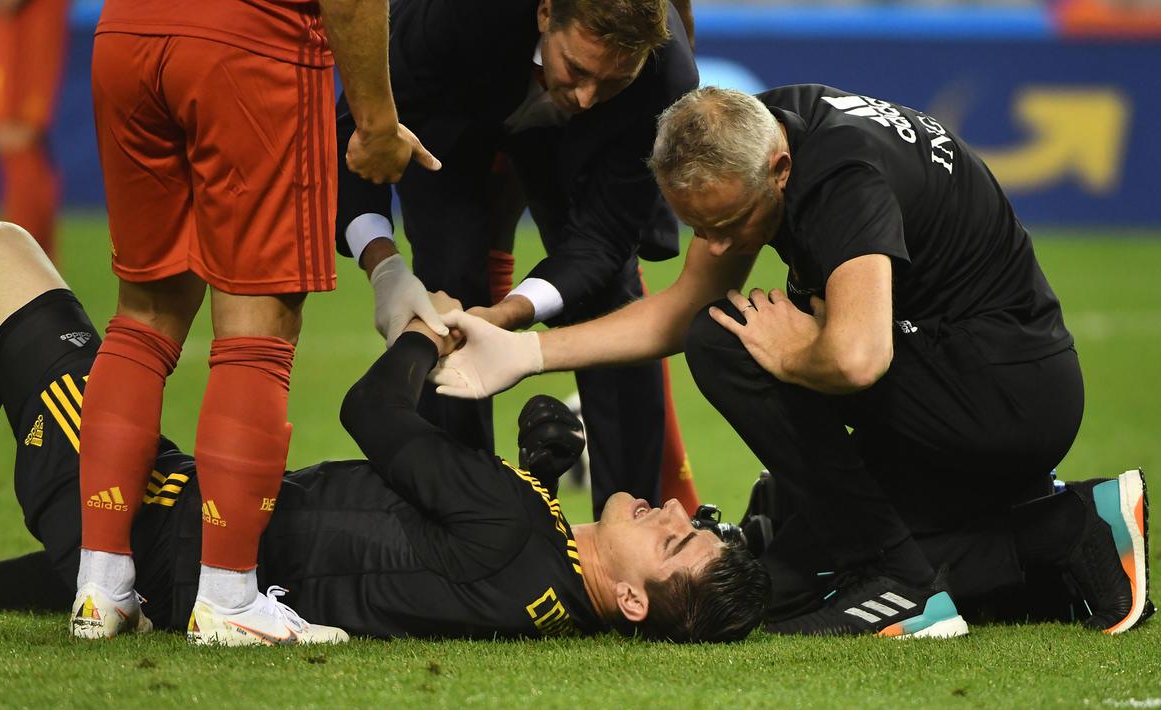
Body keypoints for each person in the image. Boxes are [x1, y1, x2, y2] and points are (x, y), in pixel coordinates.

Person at [429, 85, 1153, 637]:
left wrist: (790, 345)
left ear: (777, 170)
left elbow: (858, 357)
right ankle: (1066, 530)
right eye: (696, 227)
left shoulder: (841, 177)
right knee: (782, 581)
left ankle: (899, 580)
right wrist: (526, 351)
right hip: (964, 386)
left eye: (725, 225)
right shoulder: (758, 137)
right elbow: (680, 307)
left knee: (728, 344)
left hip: (1003, 402)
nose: (713, 246)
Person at [0, 221, 769, 643]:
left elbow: (371, 414)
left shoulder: (514, 529)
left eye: (670, 544)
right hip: (184, 557)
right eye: (689, 522)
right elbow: (437, 549)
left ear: (628, 602)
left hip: (149, 515)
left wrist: (423, 327)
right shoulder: (540, 596)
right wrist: (536, 476)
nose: (670, 512)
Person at [73, 0, 442, 644]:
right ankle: (228, 598)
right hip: (247, 44)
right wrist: (379, 123)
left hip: (127, 34)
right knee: (258, 326)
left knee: (144, 316)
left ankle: (100, 590)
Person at [335, 0, 699, 517]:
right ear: (546, 13)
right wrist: (384, 267)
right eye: (577, 69)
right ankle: (460, 523)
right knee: (449, 278)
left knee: (609, 299)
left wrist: (507, 318)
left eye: (612, 83)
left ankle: (631, 530)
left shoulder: (662, 79)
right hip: (459, 105)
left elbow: (601, 239)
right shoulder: (451, 16)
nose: (589, 98)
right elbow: (358, 128)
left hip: (572, 148)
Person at [0, 0, 68, 260]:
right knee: (21, 148)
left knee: (16, 139)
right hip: (9, 26)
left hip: (22, 28)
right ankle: (41, 270)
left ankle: (23, 265)